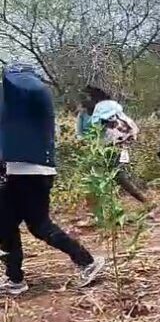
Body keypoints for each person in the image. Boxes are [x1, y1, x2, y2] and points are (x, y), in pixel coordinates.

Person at [0, 63, 106, 295]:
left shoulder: (28, 93)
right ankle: (15, 279)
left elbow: (20, 82)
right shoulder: (20, 106)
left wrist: (11, 73)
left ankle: (86, 262)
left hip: (26, 173)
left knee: (33, 225)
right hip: (23, 172)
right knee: (11, 226)